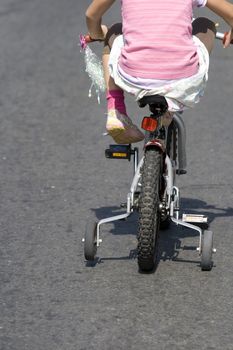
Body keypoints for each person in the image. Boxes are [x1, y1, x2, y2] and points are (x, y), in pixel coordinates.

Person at [85, 0, 233, 144]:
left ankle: (116, 110)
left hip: (133, 76)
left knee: (115, 29)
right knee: (205, 24)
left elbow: (92, 15)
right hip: (183, 77)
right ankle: (170, 107)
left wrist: (97, 34)